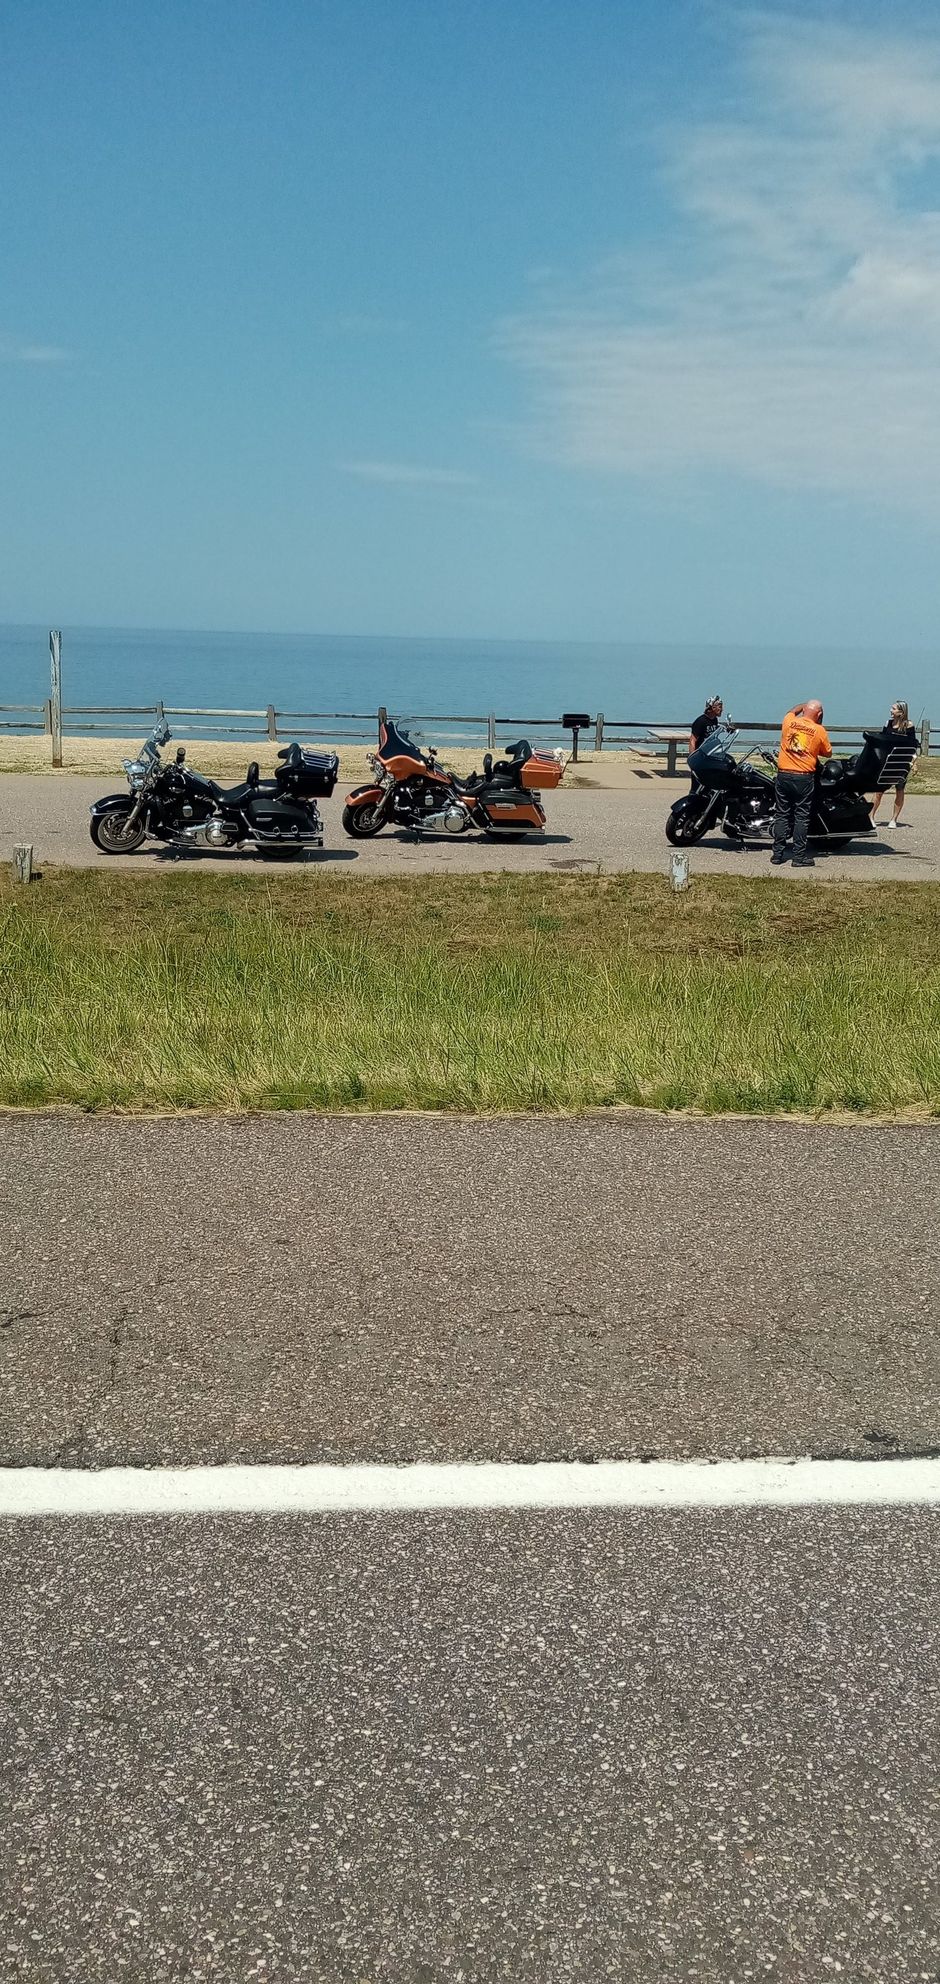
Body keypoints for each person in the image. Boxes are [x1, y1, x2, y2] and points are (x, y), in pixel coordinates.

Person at [771, 699, 831, 869]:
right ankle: (798, 856)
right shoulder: (819, 730)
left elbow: (791, 710)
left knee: (782, 814)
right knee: (801, 816)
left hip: (784, 774)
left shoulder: (789, 721)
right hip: (803, 777)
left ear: (804, 710)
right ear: (819, 714)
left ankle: (777, 854)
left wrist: (802, 705)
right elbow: (827, 752)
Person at [869, 701, 918, 828]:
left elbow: (913, 745)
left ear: (901, 712)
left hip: (902, 761)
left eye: (894, 708)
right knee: (879, 790)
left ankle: (893, 819)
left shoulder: (908, 725)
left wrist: (914, 762)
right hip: (887, 761)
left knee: (899, 789)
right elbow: (881, 741)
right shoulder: (888, 723)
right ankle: (871, 816)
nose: (891, 710)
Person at [688, 694, 723, 760]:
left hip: (710, 752)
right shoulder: (700, 721)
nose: (722, 709)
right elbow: (692, 740)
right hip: (701, 754)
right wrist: (692, 758)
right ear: (713, 708)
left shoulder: (714, 720)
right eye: (720, 707)